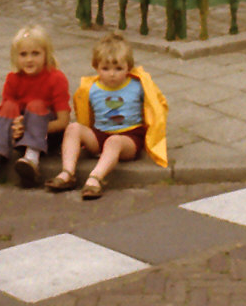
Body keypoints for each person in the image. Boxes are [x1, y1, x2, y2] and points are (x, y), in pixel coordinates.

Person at [48, 32, 169, 199]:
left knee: (114, 142)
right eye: (105, 69)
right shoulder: (91, 88)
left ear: (128, 67)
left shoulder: (137, 85)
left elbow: (156, 103)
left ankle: (95, 178)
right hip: (100, 134)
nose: (112, 74)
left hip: (129, 137)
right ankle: (68, 172)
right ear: (96, 67)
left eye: (118, 68)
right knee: (73, 128)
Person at [0, 24, 71, 188]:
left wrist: (29, 127)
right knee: (8, 106)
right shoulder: (13, 78)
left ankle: (32, 161)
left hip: (48, 134)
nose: (29, 59)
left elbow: (63, 121)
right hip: (18, 132)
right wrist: (16, 128)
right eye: (23, 54)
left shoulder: (56, 78)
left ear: (46, 55)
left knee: (36, 104)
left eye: (35, 54)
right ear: (15, 57)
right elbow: (6, 115)